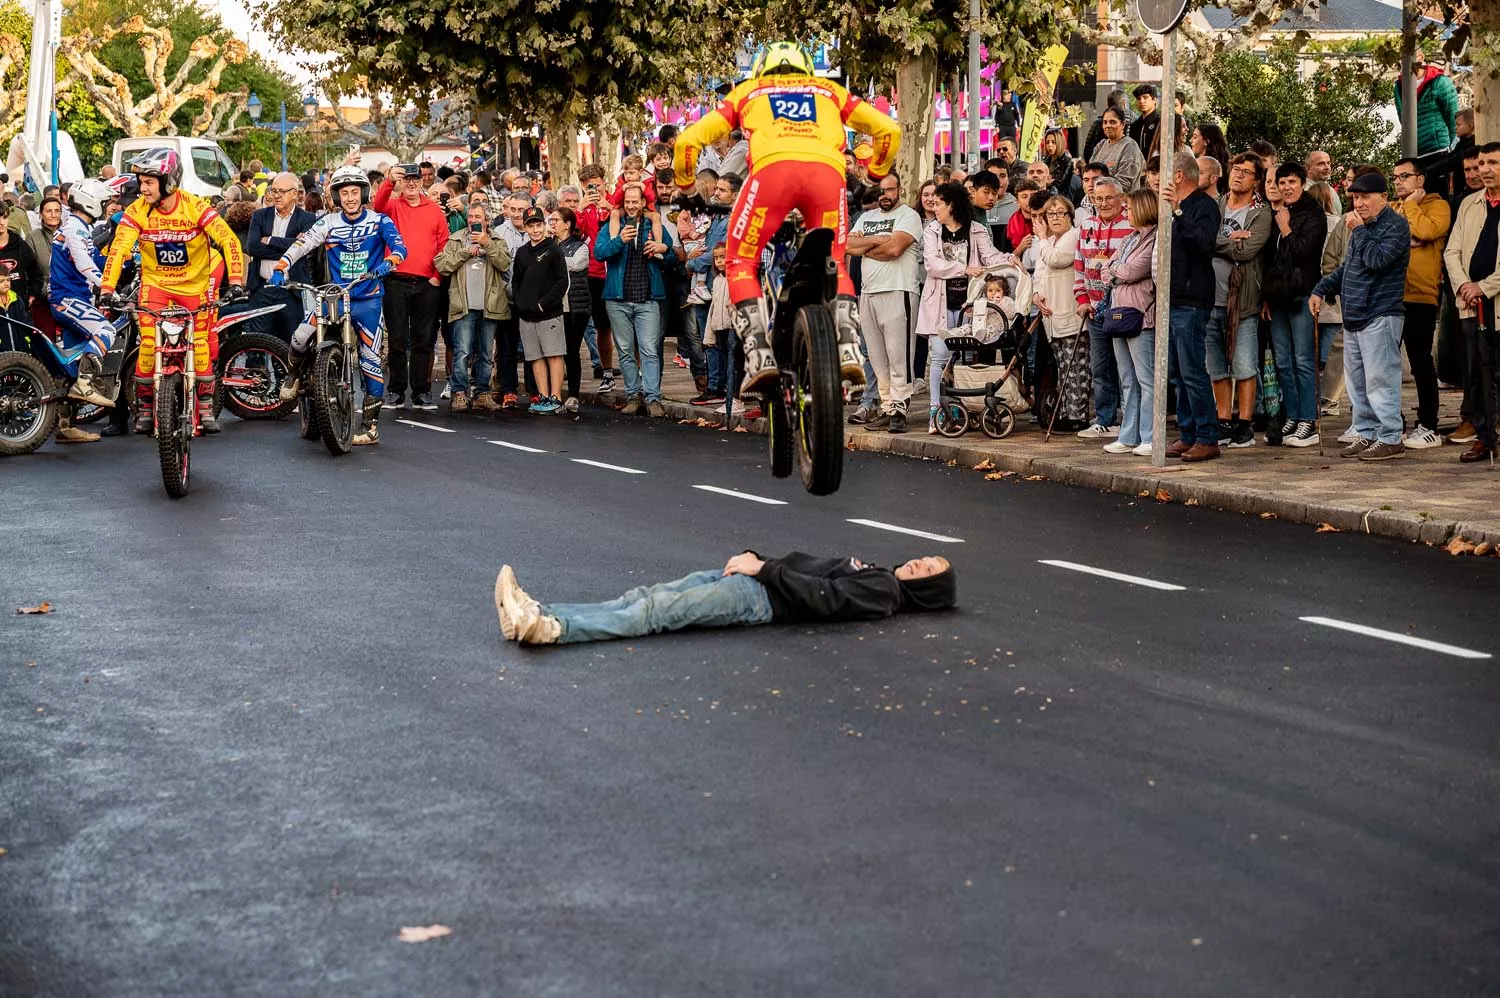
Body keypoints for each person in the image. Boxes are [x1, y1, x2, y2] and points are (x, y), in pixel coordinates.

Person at [672, 41, 901, 393]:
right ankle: (848, 346)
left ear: (762, 70)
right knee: (835, 264)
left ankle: (759, 355)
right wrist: (872, 176)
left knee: (740, 262)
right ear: (807, 69)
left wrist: (687, 187)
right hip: (827, 179)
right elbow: (890, 132)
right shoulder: (830, 91)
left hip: (771, 179)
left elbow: (687, 142)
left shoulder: (748, 92)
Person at [494, 552, 958, 647]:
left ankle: (553, 629)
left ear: (927, 590)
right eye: (927, 557)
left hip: (758, 598)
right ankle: (538, 613)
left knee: (655, 612)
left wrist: (763, 570)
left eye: (930, 570)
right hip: (755, 579)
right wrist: (759, 558)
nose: (921, 562)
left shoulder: (885, 590)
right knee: (646, 597)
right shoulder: (880, 574)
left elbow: (824, 597)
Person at [98, 148, 247, 435]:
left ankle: (204, 406)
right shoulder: (136, 211)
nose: (142, 188)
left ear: (168, 180)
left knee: (201, 345)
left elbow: (228, 241)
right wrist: (107, 288)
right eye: (141, 181)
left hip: (195, 289)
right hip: (155, 288)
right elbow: (118, 250)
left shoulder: (196, 207)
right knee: (148, 346)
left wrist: (237, 280)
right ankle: (144, 408)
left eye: (149, 182)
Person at [269, 165, 406, 446]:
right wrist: (282, 266)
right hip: (334, 296)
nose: (351, 198)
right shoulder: (328, 223)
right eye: (345, 193)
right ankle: (293, 375)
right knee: (299, 336)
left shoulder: (380, 221)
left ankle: (369, 428)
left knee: (371, 363)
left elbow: (401, 248)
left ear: (364, 193)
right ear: (336, 196)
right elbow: (302, 245)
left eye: (355, 192)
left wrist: (387, 264)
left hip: (369, 299)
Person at [1311, 173, 1412, 461]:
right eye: (1355, 197)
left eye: (1365, 197)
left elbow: (1377, 261)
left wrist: (1361, 231)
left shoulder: (1395, 226)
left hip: (1380, 313)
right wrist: (1321, 289)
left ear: (1383, 197)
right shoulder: (1361, 228)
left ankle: (1391, 436)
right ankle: (1366, 432)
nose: (1359, 203)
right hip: (1354, 314)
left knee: (1381, 379)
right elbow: (1348, 268)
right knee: (1357, 383)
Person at [918, 181, 1005, 434]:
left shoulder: (975, 230)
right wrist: (962, 269)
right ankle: (936, 409)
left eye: (939, 204)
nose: (935, 208)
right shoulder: (932, 231)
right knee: (939, 356)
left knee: (961, 356)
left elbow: (990, 256)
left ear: (952, 205)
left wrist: (1009, 259)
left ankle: (959, 405)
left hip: (968, 303)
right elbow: (933, 265)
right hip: (939, 301)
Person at [846, 170, 923, 432]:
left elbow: (894, 249)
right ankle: (888, 406)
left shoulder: (908, 216)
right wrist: (879, 240)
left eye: (891, 190)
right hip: (868, 293)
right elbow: (846, 245)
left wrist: (867, 246)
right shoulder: (867, 217)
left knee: (898, 353)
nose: (886, 195)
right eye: (883, 190)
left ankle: (900, 408)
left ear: (899, 190)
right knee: (877, 356)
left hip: (898, 290)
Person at [594, 182, 679, 416]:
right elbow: (599, 253)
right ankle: (632, 396)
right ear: (623, 203)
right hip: (617, 298)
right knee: (624, 349)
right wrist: (619, 239)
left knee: (649, 349)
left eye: (635, 202)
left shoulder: (653, 224)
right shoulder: (612, 226)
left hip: (648, 297)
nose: (631, 206)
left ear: (643, 203)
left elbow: (672, 257)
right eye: (627, 202)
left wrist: (661, 248)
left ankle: (653, 398)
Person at [371, 163, 451, 410]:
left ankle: (422, 391)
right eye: (407, 179)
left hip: (427, 283)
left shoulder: (434, 210)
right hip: (396, 280)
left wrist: (437, 276)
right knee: (396, 340)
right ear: (402, 183)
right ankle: (396, 391)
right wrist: (388, 181)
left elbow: (443, 244)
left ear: (422, 182)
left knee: (424, 340)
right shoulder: (393, 206)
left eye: (416, 179)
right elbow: (377, 207)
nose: (412, 183)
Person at [1160, 152, 1223, 462]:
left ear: (1179, 176)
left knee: (1193, 371)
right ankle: (1187, 433)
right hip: (1172, 298)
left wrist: (1178, 213)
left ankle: (1207, 436)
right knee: (1176, 373)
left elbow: (1203, 242)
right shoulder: (1172, 210)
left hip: (1192, 299)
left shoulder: (1203, 206)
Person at [1260, 162, 1326, 448]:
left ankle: (1308, 420)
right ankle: (1294, 414)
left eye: (1291, 182)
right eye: (1281, 182)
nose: (1286, 187)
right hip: (1278, 298)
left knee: (1303, 360)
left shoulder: (1312, 214)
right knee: (1283, 362)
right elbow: (1270, 260)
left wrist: (1286, 229)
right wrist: (1266, 296)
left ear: (1302, 183)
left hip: (1301, 294)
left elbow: (1303, 253)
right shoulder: (1276, 214)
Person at [1441, 141, 1500, 464]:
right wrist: (1464, 284)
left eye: (1492, 163)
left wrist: (1484, 286)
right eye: (1482, 164)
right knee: (1478, 369)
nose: (1485, 170)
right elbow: (1452, 250)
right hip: (1470, 301)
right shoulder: (1470, 204)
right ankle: (1485, 436)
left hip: (1494, 297)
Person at [1208, 153, 1271, 448]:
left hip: (1243, 300)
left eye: (1246, 172)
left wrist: (1217, 243)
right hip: (1210, 297)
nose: (1238, 175)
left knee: (1245, 364)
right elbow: (1203, 239)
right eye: (1236, 169)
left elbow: (1247, 252)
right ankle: (1223, 419)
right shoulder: (1215, 206)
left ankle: (1244, 424)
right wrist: (1228, 241)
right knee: (1216, 365)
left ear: (1256, 180)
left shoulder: (1261, 213)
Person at [1388, 157, 1451, 449]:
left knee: (1420, 363)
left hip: (1421, 297)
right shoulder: (1393, 207)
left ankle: (1428, 425)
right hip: (1390, 296)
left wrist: (1412, 209)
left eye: (1405, 176)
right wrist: (1407, 235)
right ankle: (1392, 422)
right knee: (1386, 363)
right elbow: (1387, 239)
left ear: (1420, 180)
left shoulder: (1438, 206)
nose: (1398, 181)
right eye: (1396, 177)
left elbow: (1426, 231)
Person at [46, 179, 119, 424]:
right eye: (104, 201)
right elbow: (85, 264)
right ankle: (86, 384)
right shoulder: (74, 230)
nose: (106, 205)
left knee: (72, 365)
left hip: (72, 299)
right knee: (106, 330)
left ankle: (65, 424)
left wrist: (129, 263)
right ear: (92, 202)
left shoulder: (79, 228)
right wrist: (109, 288)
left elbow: (97, 260)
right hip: (68, 300)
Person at [1072, 175, 1134, 437]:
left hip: (1122, 309)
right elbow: (1079, 267)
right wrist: (1082, 299)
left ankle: (1129, 421)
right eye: (1099, 199)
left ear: (1121, 199)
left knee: (1126, 369)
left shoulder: (1132, 225)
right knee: (1100, 367)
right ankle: (1105, 417)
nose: (1104, 203)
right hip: (1095, 309)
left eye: (1109, 198)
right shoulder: (1086, 226)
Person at [434, 200, 509, 413]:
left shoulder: (496, 239)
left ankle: (482, 393)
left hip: (489, 304)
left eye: (478, 217)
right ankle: (459, 393)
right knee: (462, 351)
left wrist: (487, 244)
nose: (473, 220)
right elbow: (441, 264)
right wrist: (466, 252)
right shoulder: (456, 239)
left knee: (486, 353)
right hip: (463, 304)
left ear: (487, 220)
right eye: (471, 217)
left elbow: (504, 263)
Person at [1102, 188, 1158, 456]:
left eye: (1131, 208)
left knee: (1145, 379)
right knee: (1127, 379)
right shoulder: (1129, 240)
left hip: (1142, 315)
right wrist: (1115, 271)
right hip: (1119, 312)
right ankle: (1128, 434)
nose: (1127, 213)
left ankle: (1149, 435)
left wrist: (1115, 271)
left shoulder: (1155, 239)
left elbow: (1131, 270)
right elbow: (1108, 268)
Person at [1031, 195, 1088, 430]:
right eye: (1050, 214)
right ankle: (1064, 412)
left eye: (1060, 213)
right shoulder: (1048, 242)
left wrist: (1042, 238)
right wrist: (1036, 295)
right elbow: (1039, 272)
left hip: (1071, 314)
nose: (1054, 218)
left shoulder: (1072, 237)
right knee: (1062, 367)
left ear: (1070, 216)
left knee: (1076, 368)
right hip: (1051, 316)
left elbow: (1056, 260)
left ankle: (1077, 416)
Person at [243, 173, 318, 344]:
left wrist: (269, 240)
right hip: (262, 289)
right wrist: (292, 246)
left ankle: (285, 372)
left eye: (281, 191)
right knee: (256, 342)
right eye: (273, 190)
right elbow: (252, 247)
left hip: (290, 291)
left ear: (294, 193)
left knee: (290, 343)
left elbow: (306, 249)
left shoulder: (306, 218)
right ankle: (256, 371)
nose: (276, 195)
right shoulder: (260, 216)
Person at [512, 205, 569, 414]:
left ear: (544, 226)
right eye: (531, 226)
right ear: (526, 228)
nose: (535, 230)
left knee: (554, 354)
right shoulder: (521, 252)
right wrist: (520, 303)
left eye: (539, 225)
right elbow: (516, 281)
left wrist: (544, 303)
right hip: (526, 315)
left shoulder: (553, 249)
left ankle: (556, 396)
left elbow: (562, 281)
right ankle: (544, 396)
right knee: (535, 357)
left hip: (549, 313)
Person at [551, 207, 592, 411]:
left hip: (575, 306)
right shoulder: (548, 244)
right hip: (554, 305)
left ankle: (574, 394)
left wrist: (549, 258)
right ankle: (552, 392)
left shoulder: (580, 246)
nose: (552, 224)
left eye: (556, 220)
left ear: (567, 224)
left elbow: (576, 264)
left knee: (571, 350)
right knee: (553, 351)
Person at [1395, 50, 1460, 158]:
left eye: (1411, 56)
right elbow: (1402, 118)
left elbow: (1453, 117)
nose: (1406, 61)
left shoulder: (1440, 82)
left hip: (1438, 149)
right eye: (1402, 57)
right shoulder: (1399, 86)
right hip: (1412, 152)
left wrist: (1452, 150)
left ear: (1421, 57)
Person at [1091, 107, 1143, 195]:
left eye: (1113, 122)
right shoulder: (1101, 145)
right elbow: (1090, 172)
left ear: (1123, 124)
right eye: (1105, 122)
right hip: (1099, 201)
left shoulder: (1129, 146)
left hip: (1122, 203)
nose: (1108, 126)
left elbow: (1124, 184)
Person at [1191, 124, 1231, 194]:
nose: (1191, 140)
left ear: (1206, 141)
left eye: (1195, 137)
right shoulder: (1224, 163)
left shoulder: (1213, 166)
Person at [1127, 85, 1160, 158]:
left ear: (1154, 100)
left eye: (1145, 97)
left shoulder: (1160, 122)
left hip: (1155, 166)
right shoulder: (1135, 125)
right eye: (1139, 99)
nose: (1142, 101)